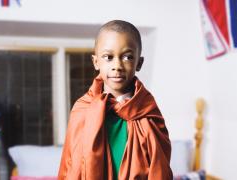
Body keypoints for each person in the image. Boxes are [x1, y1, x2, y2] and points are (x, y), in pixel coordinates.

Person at [58, 20, 172, 180]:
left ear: (139, 63)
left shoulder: (148, 112)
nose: (117, 65)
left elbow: (161, 170)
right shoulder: (82, 109)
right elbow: (68, 165)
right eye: (108, 57)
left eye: (127, 57)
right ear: (96, 62)